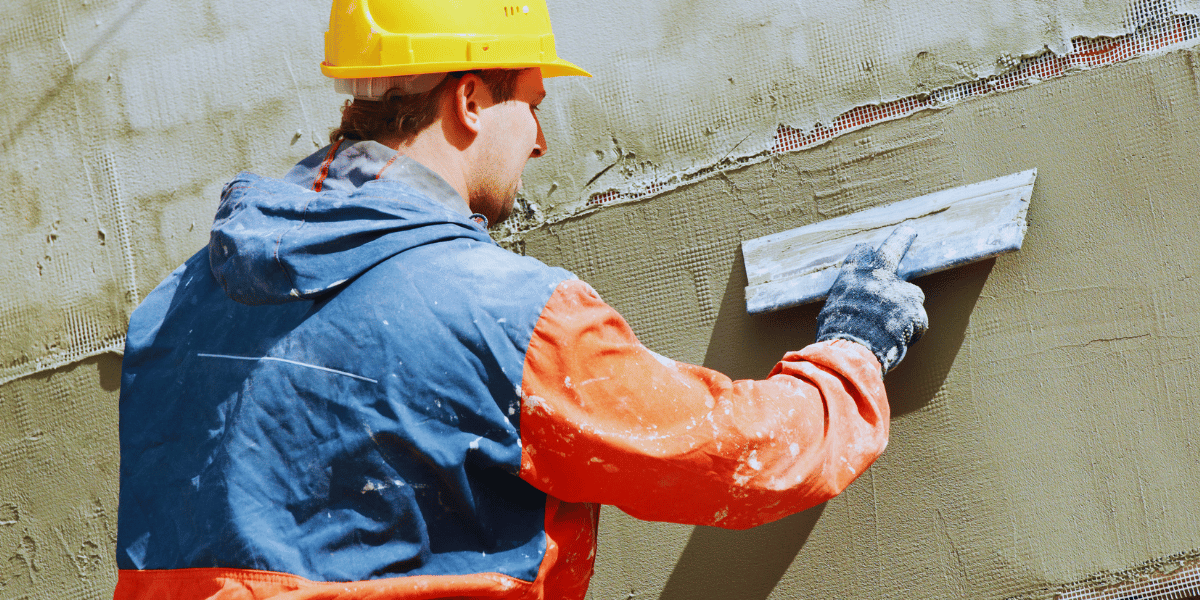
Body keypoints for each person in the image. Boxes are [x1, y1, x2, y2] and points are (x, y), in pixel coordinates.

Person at [112, 1, 928, 598]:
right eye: (531, 104)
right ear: (469, 101)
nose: (539, 138)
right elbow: (725, 458)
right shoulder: (508, 318)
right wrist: (850, 356)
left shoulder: (169, 311)